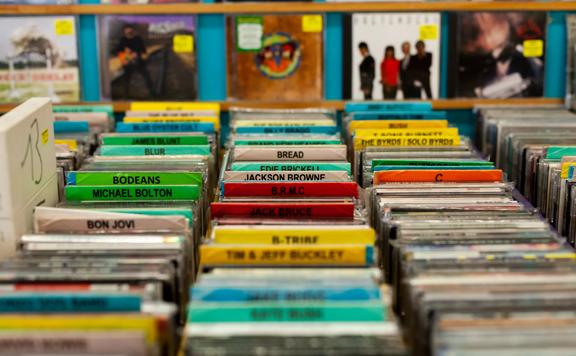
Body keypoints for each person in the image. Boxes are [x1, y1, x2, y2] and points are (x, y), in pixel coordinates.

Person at [115, 24, 156, 98]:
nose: (129, 32)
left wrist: (140, 54)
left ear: (133, 31)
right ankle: (125, 95)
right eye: (127, 31)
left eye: (130, 30)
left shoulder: (138, 39)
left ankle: (153, 93)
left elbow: (144, 50)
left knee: (147, 76)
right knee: (126, 79)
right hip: (128, 64)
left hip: (139, 62)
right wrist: (126, 53)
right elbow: (117, 51)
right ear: (124, 32)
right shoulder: (122, 40)